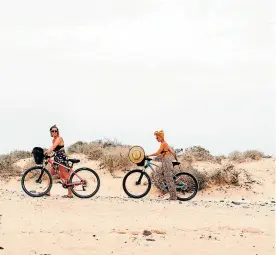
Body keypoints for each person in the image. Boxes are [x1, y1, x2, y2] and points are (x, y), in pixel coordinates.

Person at [145, 130, 177, 200]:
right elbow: (172, 152)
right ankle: (164, 190)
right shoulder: (164, 144)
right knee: (157, 175)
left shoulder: (164, 144)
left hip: (167, 162)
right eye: (156, 138)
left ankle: (173, 196)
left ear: (161, 137)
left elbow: (158, 153)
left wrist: (149, 155)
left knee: (169, 179)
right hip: (165, 161)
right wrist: (175, 156)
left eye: (157, 137)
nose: (156, 139)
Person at [44, 125, 73, 198]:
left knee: (65, 175)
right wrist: (50, 156)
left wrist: (46, 152)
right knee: (49, 174)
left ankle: (70, 194)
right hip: (57, 158)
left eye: (55, 131)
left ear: (57, 132)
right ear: (50, 132)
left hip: (61, 158)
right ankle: (48, 192)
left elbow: (54, 147)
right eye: (52, 131)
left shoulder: (59, 138)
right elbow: (56, 151)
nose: (54, 132)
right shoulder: (53, 140)